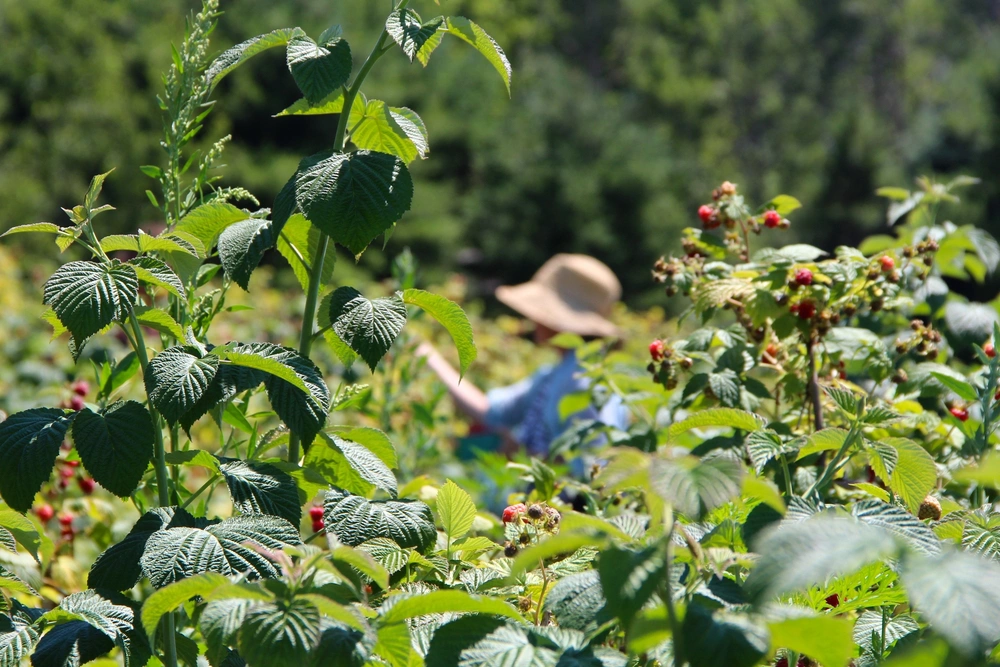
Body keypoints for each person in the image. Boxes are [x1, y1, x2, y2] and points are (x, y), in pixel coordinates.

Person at [417, 254, 629, 460]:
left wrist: (524, 455)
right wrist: (426, 355)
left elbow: (593, 463)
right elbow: (492, 410)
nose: (533, 318)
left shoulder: (581, 379)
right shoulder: (558, 373)